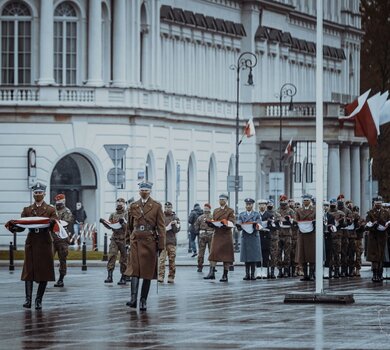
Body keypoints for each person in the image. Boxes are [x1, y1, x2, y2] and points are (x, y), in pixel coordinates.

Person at [6, 183, 57, 310]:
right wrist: (14, 227)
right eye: (36, 193)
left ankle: (38, 300)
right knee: (28, 271)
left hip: (45, 241)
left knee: (44, 272)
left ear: (44, 194)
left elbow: (55, 225)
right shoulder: (27, 210)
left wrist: (51, 223)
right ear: (33, 194)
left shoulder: (50, 210)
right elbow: (22, 227)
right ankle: (28, 300)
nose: (38, 195)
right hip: (32, 242)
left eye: (40, 193)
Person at [125, 181, 166, 311]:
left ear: (150, 192)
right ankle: (133, 299)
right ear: (139, 191)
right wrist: (128, 241)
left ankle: (143, 300)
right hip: (136, 240)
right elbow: (129, 226)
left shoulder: (156, 206)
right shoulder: (133, 206)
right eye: (142, 190)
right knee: (134, 271)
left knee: (147, 273)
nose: (144, 192)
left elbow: (161, 227)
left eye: (146, 191)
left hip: (150, 241)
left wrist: (161, 245)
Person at [204, 194, 235, 282]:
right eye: (220, 199)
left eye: (223, 199)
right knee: (213, 254)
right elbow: (214, 221)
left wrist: (225, 223)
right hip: (217, 234)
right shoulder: (216, 210)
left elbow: (232, 222)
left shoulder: (230, 211)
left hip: (226, 235)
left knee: (226, 256)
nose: (221, 201)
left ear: (226, 201)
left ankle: (225, 274)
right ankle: (211, 273)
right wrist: (210, 223)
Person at [100, 198, 129, 285]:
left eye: (121, 202)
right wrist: (104, 223)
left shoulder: (127, 214)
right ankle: (110, 276)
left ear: (124, 204)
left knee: (124, 259)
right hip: (114, 238)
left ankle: (123, 276)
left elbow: (129, 227)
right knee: (112, 256)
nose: (119, 204)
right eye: (118, 202)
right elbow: (110, 226)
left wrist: (123, 223)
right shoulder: (113, 214)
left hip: (124, 238)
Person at [237, 198, 262, 280]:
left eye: (250, 204)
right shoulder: (241, 214)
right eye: (247, 204)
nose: (248, 206)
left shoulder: (256, 214)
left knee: (253, 256)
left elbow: (259, 225)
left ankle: (252, 274)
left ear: (252, 205)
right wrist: (239, 226)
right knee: (246, 256)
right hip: (245, 236)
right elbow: (239, 224)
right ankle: (247, 274)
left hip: (253, 237)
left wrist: (255, 226)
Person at [366, 196, 390, 282]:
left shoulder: (386, 213)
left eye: (380, 204)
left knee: (381, 256)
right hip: (374, 237)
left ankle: (380, 274)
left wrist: (387, 225)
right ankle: (375, 274)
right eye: (377, 204)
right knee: (374, 257)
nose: (378, 205)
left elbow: (388, 221)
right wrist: (373, 225)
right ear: (374, 204)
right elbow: (367, 224)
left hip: (383, 237)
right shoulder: (370, 213)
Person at [53, 193, 74, 287]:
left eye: (60, 201)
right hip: (52, 238)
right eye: (57, 201)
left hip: (62, 238)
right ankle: (45, 276)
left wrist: (55, 221)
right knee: (48, 257)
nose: (58, 203)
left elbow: (67, 222)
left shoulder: (67, 211)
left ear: (64, 201)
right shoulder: (52, 210)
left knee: (62, 259)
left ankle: (61, 278)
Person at [158, 202, 180, 283]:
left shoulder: (175, 217)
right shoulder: (161, 216)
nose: (168, 209)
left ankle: (171, 276)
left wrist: (174, 225)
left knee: (172, 260)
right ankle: (160, 276)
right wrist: (166, 228)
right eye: (166, 207)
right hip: (162, 242)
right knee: (162, 260)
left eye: (169, 207)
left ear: (172, 208)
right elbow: (158, 228)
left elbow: (177, 230)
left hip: (171, 242)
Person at [296, 194, 316, 281]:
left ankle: (312, 274)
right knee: (303, 254)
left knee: (311, 254)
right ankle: (305, 274)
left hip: (311, 234)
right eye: (304, 200)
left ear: (310, 201)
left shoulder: (315, 210)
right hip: (302, 233)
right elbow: (296, 220)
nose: (305, 202)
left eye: (307, 200)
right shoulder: (299, 210)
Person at [276, 195, 295, 278]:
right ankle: (280, 270)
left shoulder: (291, 211)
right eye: (281, 202)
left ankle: (286, 270)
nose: (283, 203)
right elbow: (275, 220)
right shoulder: (277, 211)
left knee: (287, 253)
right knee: (278, 253)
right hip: (279, 234)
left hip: (287, 234)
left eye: (284, 202)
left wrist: (289, 219)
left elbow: (294, 221)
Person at [194, 203, 214, 272]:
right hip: (207, 235)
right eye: (205, 208)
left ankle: (203, 266)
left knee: (208, 252)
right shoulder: (212, 217)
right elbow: (196, 226)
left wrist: (198, 232)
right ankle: (210, 266)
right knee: (204, 252)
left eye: (206, 208)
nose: (205, 209)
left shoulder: (201, 217)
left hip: (206, 235)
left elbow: (196, 226)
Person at [256, 199, 273, 279]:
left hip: (266, 235)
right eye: (260, 205)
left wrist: (268, 224)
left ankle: (265, 271)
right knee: (258, 253)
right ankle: (258, 271)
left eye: (263, 205)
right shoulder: (256, 215)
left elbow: (273, 226)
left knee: (266, 253)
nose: (261, 206)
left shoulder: (269, 215)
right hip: (258, 235)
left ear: (266, 206)